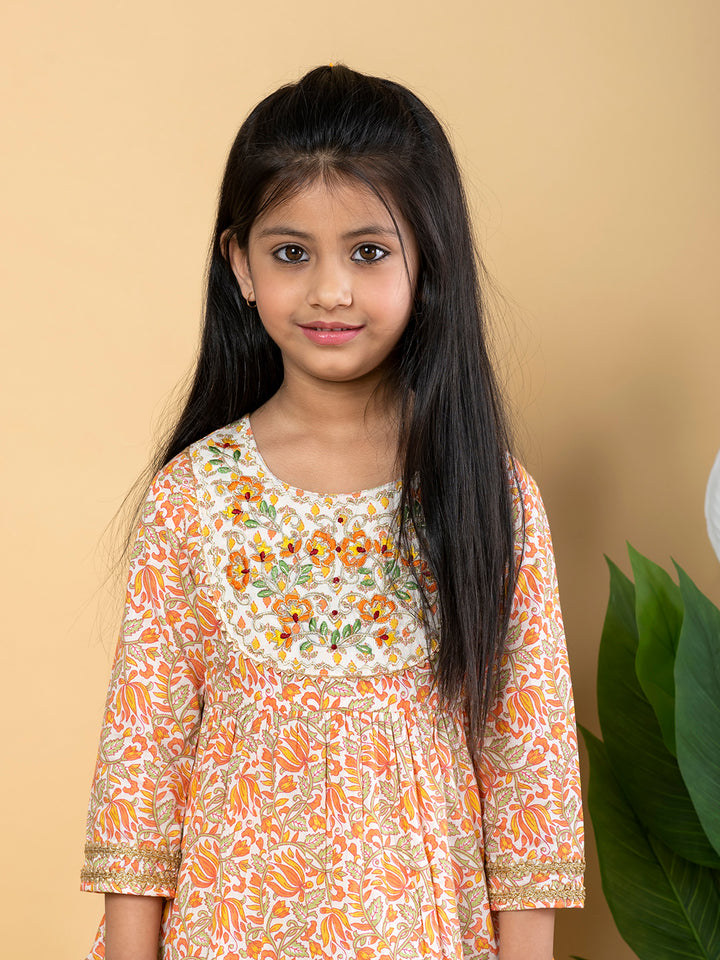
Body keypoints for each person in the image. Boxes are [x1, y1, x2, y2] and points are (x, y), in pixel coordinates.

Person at [80, 64, 584, 960]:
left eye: (368, 252)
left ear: (428, 257)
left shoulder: (490, 496)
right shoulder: (194, 496)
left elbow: (528, 779)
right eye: (290, 253)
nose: (330, 291)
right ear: (239, 264)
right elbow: (141, 772)